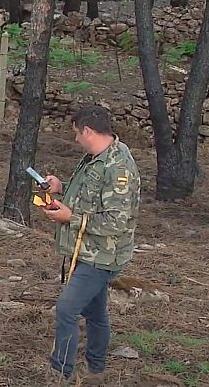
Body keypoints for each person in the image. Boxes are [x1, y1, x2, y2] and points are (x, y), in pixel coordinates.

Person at [40, 105, 142, 386]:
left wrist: (70, 217)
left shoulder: (118, 167)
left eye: (76, 133)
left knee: (66, 309)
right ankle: (96, 369)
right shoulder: (95, 159)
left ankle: (60, 374)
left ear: (87, 130)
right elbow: (89, 192)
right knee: (95, 311)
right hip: (86, 251)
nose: (75, 140)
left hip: (102, 256)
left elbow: (115, 222)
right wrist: (61, 187)